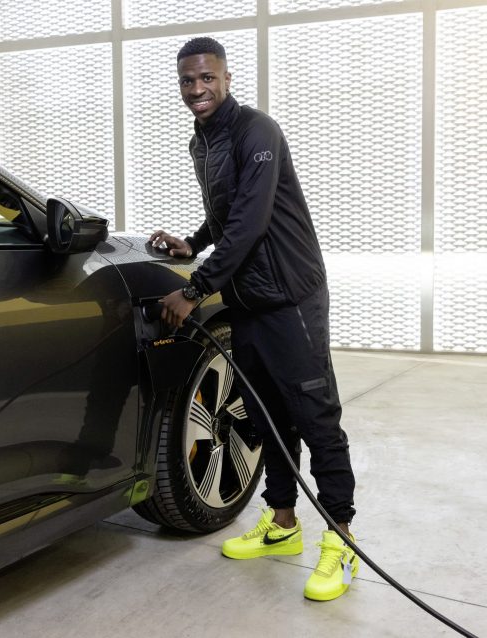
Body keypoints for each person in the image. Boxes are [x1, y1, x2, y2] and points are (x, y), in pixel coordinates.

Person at [148, 36, 358, 602]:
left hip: (290, 297)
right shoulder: (203, 139)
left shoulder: (257, 131)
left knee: (316, 417)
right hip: (248, 300)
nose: (197, 89)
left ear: (227, 77)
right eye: (188, 81)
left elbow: (251, 220)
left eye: (207, 78)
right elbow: (225, 214)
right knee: (265, 417)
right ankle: (283, 526)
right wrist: (190, 242)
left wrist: (196, 287)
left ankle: (341, 542)